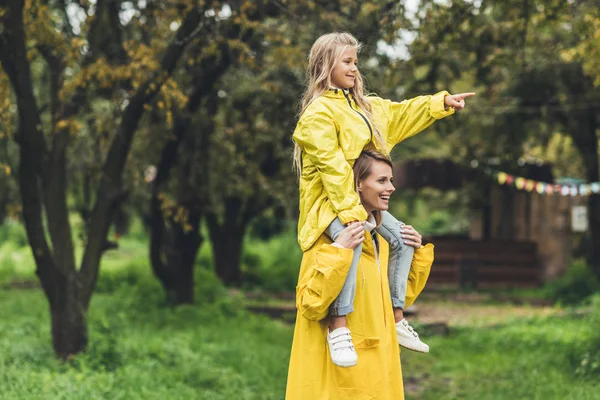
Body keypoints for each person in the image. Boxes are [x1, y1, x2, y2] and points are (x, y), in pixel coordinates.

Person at [292, 32, 475, 367]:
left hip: (359, 203)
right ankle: (338, 326)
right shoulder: (318, 115)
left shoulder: (366, 108)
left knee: (402, 239)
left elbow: (401, 114)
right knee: (356, 238)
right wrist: (351, 216)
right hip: (329, 206)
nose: (354, 69)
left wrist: (440, 104)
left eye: (355, 63)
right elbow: (333, 169)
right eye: (347, 62)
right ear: (325, 65)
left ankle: (397, 316)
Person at [285, 150, 433, 399]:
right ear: (357, 185)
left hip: (380, 376)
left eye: (391, 180)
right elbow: (310, 305)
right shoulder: (326, 239)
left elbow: (397, 300)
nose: (392, 188)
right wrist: (339, 253)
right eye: (382, 181)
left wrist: (417, 254)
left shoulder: (383, 241)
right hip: (337, 382)